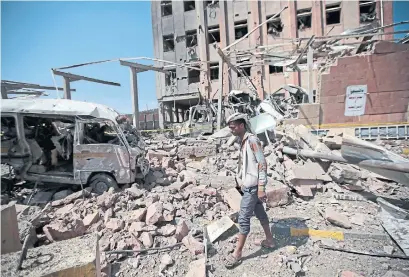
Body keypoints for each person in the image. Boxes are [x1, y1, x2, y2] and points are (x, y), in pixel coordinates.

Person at [224, 113, 274, 269]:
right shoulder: (243, 141)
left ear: (241, 125)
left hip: (253, 188)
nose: (231, 130)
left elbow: (262, 163)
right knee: (260, 213)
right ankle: (270, 241)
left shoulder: (252, 140)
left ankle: (237, 254)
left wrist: (261, 188)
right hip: (250, 186)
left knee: (244, 218)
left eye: (233, 127)